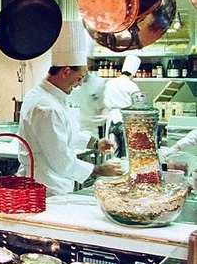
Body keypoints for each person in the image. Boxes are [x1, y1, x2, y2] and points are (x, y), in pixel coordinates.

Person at [17, 21, 122, 196]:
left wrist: (95, 143)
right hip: (45, 190)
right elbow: (61, 160)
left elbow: (62, 134)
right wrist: (99, 170)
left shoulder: (49, 97)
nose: (80, 84)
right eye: (79, 78)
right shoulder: (46, 107)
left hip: (52, 185)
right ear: (66, 72)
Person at [103, 55, 141, 157]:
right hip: (126, 119)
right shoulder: (132, 86)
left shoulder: (109, 83)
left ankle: (113, 167)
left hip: (111, 119)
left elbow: (105, 102)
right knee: (126, 151)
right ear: (133, 74)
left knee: (112, 149)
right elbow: (139, 104)